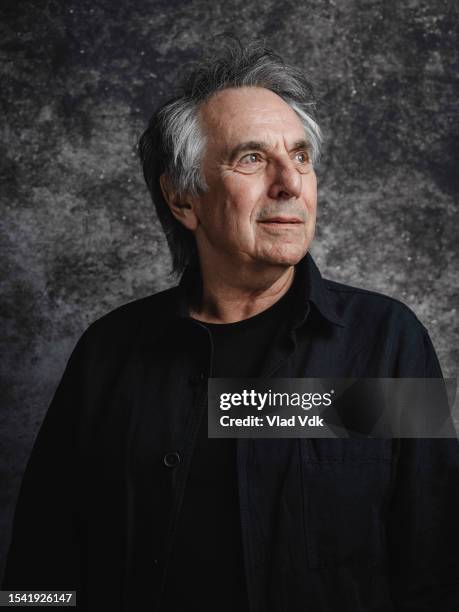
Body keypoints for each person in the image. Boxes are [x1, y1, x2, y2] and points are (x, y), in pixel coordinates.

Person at [3, 40, 459, 612]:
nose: (290, 183)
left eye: (300, 157)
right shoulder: (108, 354)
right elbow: (38, 565)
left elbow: (437, 567)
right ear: (183, 198)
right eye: (250, 158)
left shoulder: (387, 342)